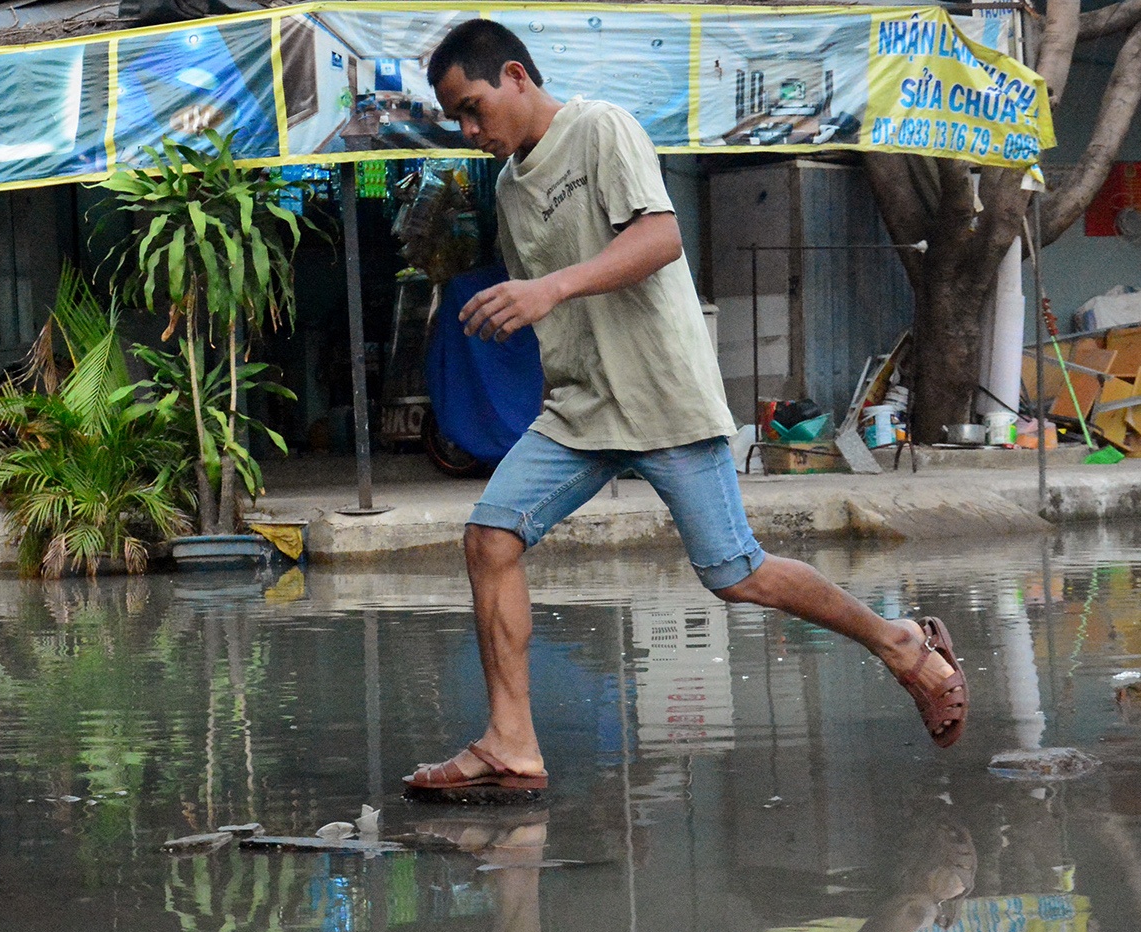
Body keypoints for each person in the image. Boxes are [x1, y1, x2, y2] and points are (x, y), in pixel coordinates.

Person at [405, 20, 967, 792]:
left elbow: (661, 238)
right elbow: (556, 304)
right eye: (457, 120)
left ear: (515, 75)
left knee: (734, 572)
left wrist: (551, 286)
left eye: (473, 108)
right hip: (578, 410)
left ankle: (900, 643)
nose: (470, 131)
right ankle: (511, 742)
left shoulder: (601, 129)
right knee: (489, 537)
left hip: (662, 396)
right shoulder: (506, 187)